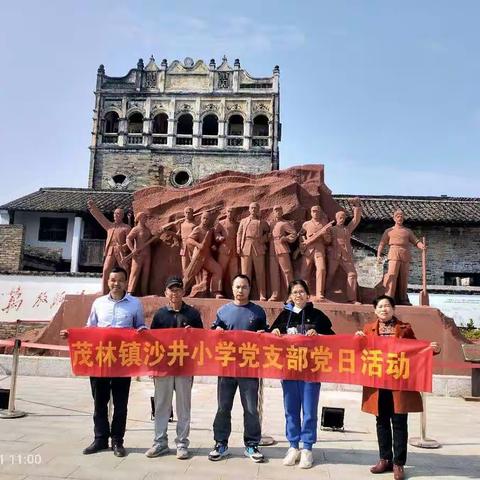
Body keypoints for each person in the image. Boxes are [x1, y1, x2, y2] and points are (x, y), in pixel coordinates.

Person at [60, 267, 146, 457]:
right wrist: (72, 334)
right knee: (100, 401)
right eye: (113, 280)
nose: (116, 283)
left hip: (123, 360)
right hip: (100, 359)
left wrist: (141, 330)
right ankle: (100, 439)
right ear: (108, 282)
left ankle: (117, 441)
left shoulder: (134, 304)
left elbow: (140, 325)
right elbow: (90, 327)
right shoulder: (98, 303)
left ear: (126, 282)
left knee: (121, 403)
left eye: (120, 280)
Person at [355, 295, 441, 480]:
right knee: (382, 421)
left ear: (393, 309)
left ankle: (398, 463)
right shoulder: (368, 329)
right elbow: (359, 353)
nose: (384, 309)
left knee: (399, 422)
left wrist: (430, 349)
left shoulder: (404, 328)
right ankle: (384, 459)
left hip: (400, 382)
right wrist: (358, 340)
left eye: (387, 306)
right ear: (375, 310)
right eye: (380, 306)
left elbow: (416, 350)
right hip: (378, 383)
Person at [270, 279, 335, 469]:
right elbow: (270, 336)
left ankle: (307, 448)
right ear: (290, 296)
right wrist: (274, 331)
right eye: (294, 292)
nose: (298, 295)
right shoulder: (283, 316)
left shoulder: (318, 316)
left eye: (301, 292)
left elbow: (333, 339)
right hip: (289, 370)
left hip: (311, 372)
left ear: (308, 295)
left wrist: (319, 335)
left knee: (309, 411)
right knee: (290, 410)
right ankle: (293, 446)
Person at [208, 274, 268, 463]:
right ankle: (221, 443)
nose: (240, 290)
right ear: (232, 289)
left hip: (249, 369)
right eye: (237, 287)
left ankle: (251, 444)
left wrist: (263, 335)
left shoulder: (258, 312)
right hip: (226, 368)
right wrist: (216, 332)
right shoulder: (223, 311)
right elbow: (212, 334)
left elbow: (266, 336)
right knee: (223, 407)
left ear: (250, 289)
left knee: (251, 408)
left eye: (244, 287)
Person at [145, 276, 203, 460]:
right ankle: (160, 442)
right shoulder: (160, 315)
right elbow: (152, 341)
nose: (175, 292)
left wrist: (191, 334)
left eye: (178, 289)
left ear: (183, 292)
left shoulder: (193, 314)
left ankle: (182, 443)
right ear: (166, 293)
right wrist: (151, 365)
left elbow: (202, 340)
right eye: (171, 289)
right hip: (163, 367)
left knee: (183, 406)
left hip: (185, 367)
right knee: (162, 405)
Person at [377, 209, 425, 305]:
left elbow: (416, 241)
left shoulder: (407, 231)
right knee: (392, 275)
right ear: (394, 218)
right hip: (394, 252)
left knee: (404, 277)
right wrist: (378, 255)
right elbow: (382, 244)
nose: (400, 218)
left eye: (401, 216)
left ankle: (403, 299)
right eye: (398, 216)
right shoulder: (389, 231)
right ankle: (389, 298)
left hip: (405, 254)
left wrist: (421, 246)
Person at [87, 199, 132, 294]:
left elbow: (130, 242)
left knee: (125, 270)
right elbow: (100, 218)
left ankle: (126, 291)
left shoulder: (126, 228)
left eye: (118, 214)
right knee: (106, 270)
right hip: (110, 251)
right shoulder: (110, 226)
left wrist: (123, 247)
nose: (116, 215)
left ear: (122, 216)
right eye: (115, 213)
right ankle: (104, 292)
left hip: (121, 253)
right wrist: (93, 207)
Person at [326, 197, 362, 303]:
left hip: (346, 255)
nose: (342, 219)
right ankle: (323, 293)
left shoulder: (347, 229)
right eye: (340, 217)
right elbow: (326, 241)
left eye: (343, 217)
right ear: (336, 218)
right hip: (334, 255)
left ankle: (351, 299)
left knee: (352, 274)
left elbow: (356, 220)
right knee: (330, 275)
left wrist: (357, 206)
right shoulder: (331, 229)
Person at [237, 202, 270, 301]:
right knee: (245, 273)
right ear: (249, 209)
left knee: (260, 272)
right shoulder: (243, 221)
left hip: (258, 247)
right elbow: (239, 234)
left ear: (258, 209)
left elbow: (269, 232)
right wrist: (238, 246)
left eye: (256, 208)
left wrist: (263, 239)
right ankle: (244, 294)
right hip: (246, 246)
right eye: (252, 208)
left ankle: (262, 294)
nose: (254, 210)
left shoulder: (262, 222)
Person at [300, 205, 333, 301]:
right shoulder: (306, 224)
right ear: (311, 213)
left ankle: (320, 293)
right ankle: (303, 294)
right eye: (313, 211)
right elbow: (300, 236)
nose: (315, 213)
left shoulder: (324, 224)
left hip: (319, 250)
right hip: (308, 250)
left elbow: (328, 240)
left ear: (320, 212)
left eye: (317, 211)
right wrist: (303, 243)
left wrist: (324, 235)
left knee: (321, 270)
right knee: (304, 273)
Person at [268, 205, 297, 301]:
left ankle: (291, 294)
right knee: (273, 272)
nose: (278, 212)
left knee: (287, 271)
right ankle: (275, 294)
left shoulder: (284, 223)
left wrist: (286, 238)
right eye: (276, 210)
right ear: (273, 212)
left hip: (282, 248)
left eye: (279, 210)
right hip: (272, 248)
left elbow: (294, 233)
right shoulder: (271, 223)